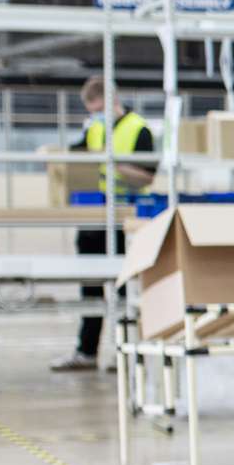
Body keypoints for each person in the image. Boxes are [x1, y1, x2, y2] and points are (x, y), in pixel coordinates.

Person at [48, 75, 159, 372]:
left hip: (127, 220)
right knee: (91, 286)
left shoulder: (140, 130)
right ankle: (87, 351)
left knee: (127, 291)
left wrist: (117, 166)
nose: (93, 114)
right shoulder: (95, 128)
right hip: (94, 218)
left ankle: (127, 351)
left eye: (97, 107)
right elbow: (79, 157)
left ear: (112, 101)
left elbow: (149, 176)